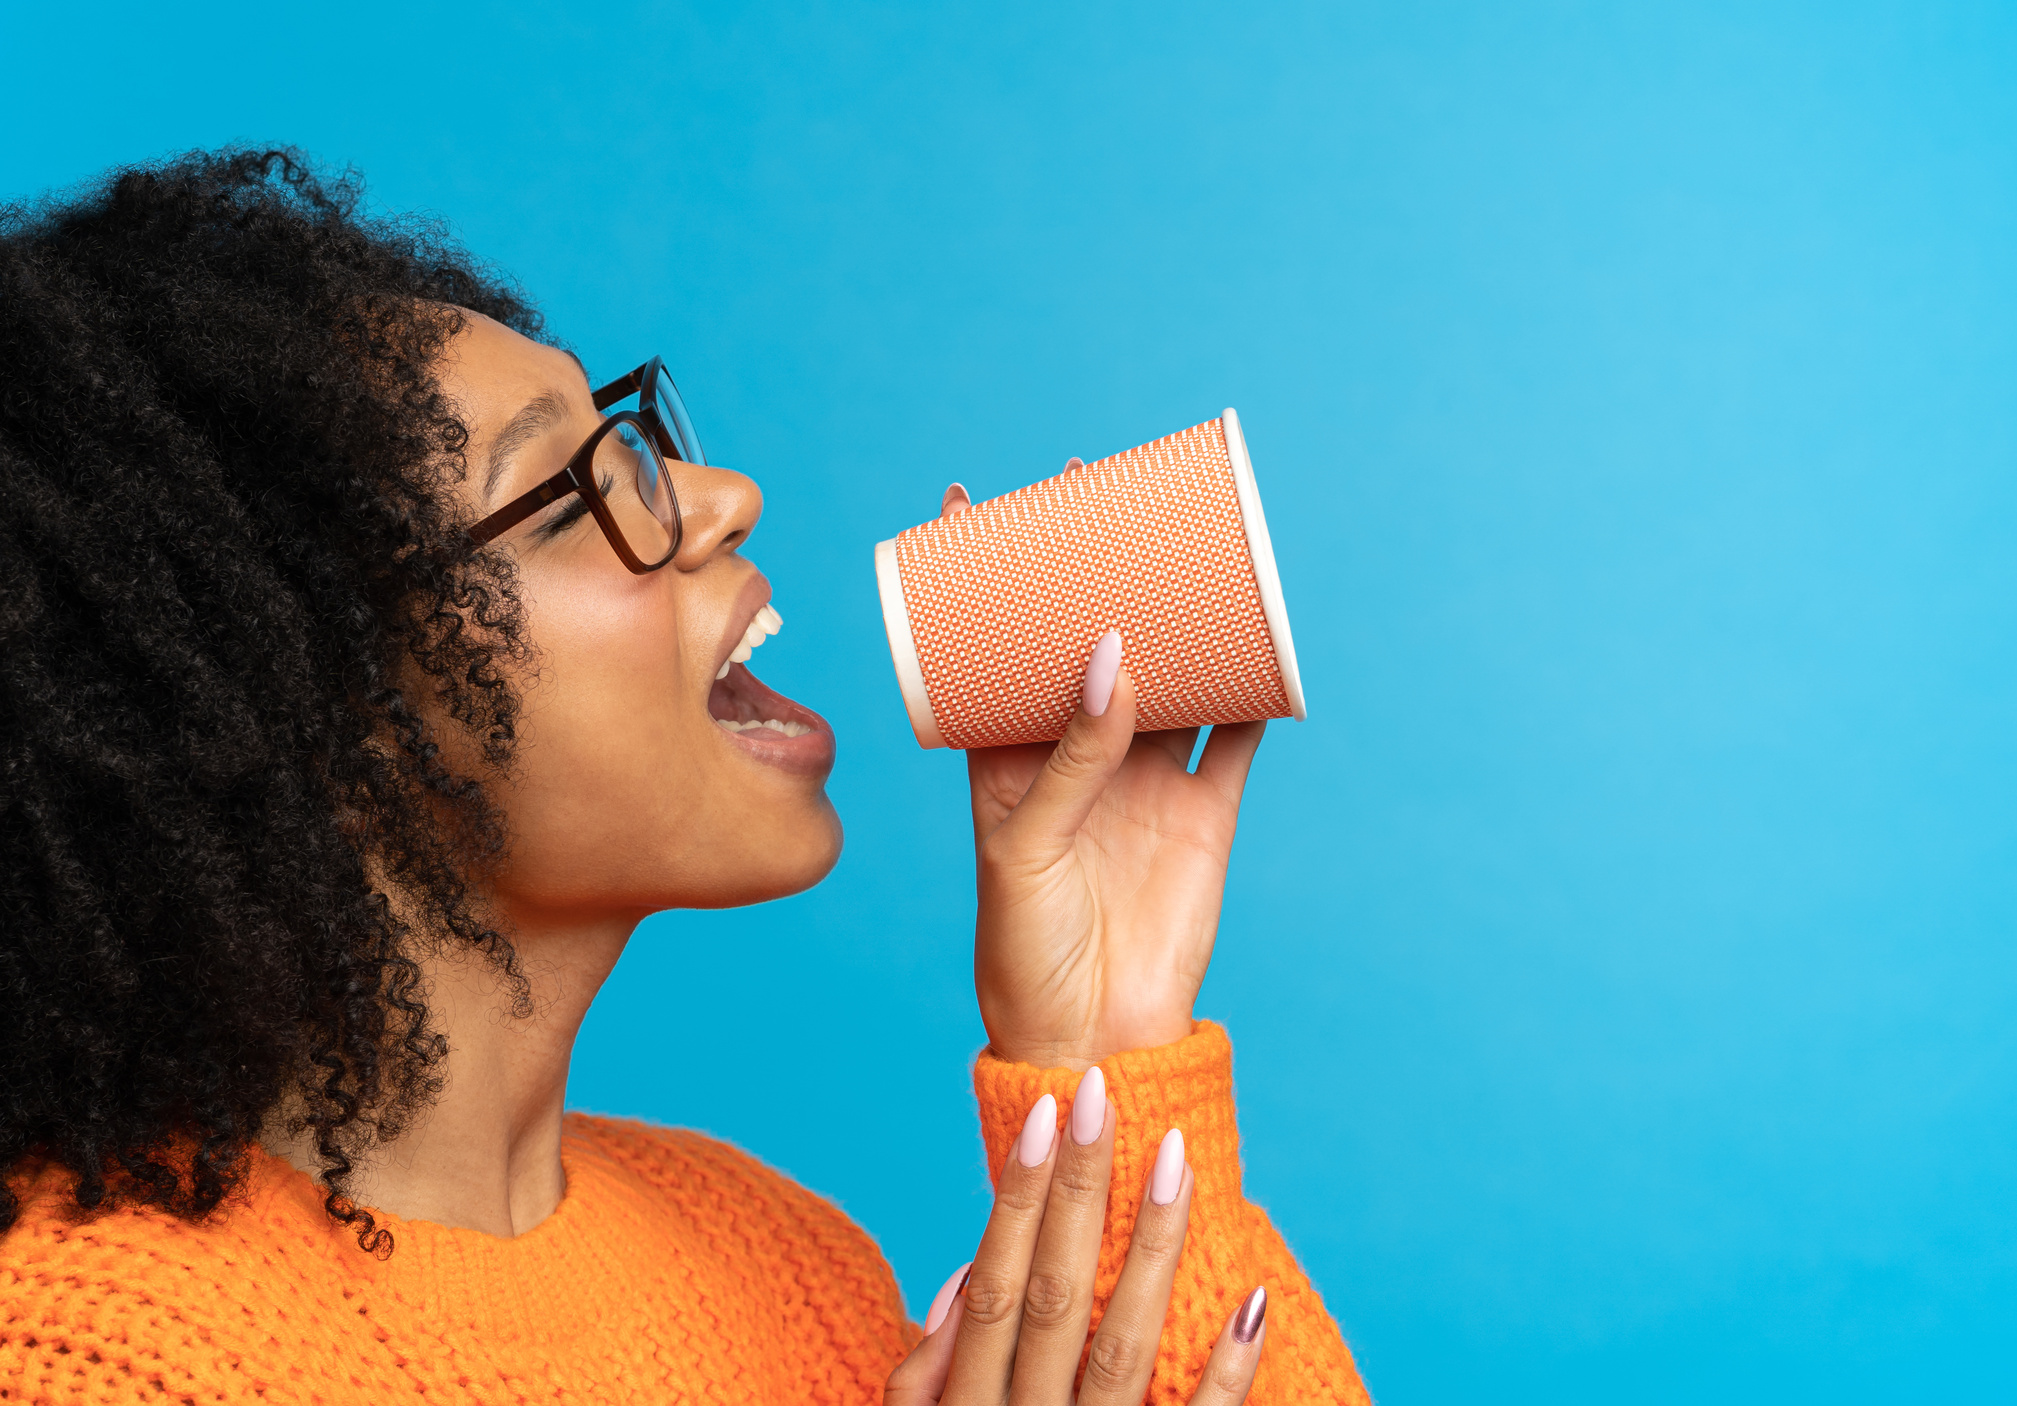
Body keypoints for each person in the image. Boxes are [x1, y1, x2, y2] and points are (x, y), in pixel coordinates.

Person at [0, 149, 1368, 1405]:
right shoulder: (91, 1349)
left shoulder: (772, 1255)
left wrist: (1102, 1043)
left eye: (631, 435)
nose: (722, 499)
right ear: (301, 697)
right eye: (573, 485)